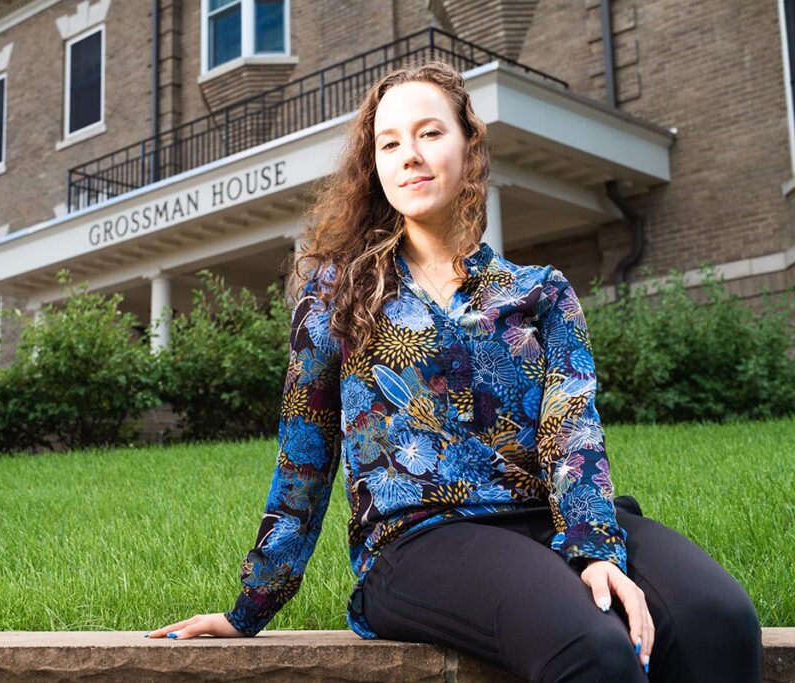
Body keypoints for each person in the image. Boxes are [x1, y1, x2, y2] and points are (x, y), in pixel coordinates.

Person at [144, 60, 762, 682]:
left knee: (720, 618)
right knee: (593, 646)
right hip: (419, 541)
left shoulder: (539, 292)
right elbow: (304, 457)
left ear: (470, 144)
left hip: (546, 520)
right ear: (374, 165)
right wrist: (251, 607)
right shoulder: (338, 295)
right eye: (389, 143)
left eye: (430, 133)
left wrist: (596, 549)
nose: (409, 155)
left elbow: (572, 431)